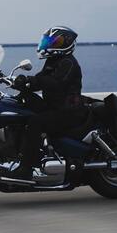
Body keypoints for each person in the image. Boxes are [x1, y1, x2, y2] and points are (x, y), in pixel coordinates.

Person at [10, 25, 84, 179]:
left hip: (68, 112)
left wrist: (31, 81)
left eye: (55, 41)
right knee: (21, 106)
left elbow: (55, 83)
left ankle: (26, 168)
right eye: (49, 41)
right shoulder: (53, 61)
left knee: (35, 122)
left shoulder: (68, 63)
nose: (50, 44)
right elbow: (40, 79)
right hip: (55, 107)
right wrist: (21, 83)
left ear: (66, 43)